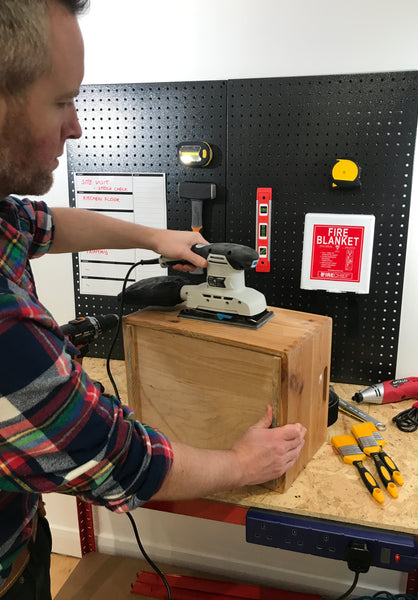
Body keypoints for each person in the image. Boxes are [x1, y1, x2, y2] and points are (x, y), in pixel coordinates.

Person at [0, 1, 307, 598]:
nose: (78, 127)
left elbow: (42, 224)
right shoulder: (6, 331)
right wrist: (242, 465)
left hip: (22, 533)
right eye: (63, 101)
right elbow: (117, 458)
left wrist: (154, 235)